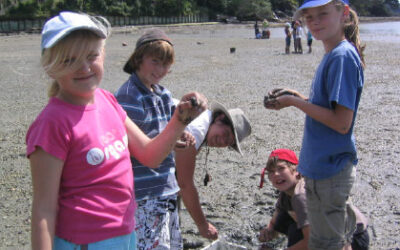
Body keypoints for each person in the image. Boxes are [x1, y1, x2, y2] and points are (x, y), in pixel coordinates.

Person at [26, 12, 207, 250]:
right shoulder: (52, 124)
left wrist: (180, 120)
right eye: (69, 60)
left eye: (92, 56)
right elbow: (43, 210)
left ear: (103, 54)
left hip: (125, 234)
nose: (84, 67)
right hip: (84, 243)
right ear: (50, 67)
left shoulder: (107, 101)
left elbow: (150, 155)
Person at [264, 0, 366, 249]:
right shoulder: (334, 54)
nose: (315, 22)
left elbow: (342, 123)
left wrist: (293, 102)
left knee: (325, 244)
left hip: (330, 172)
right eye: (309, 17)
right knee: (329, 241)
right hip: (323, 170)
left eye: (323, 14)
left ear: (343, 15)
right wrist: (297, 96)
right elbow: (329, 107)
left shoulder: (342, 56)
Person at [115, 28, 196, 250]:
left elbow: (171, 128)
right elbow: (135, 146)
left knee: (169, 243)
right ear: (138, 58)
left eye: (165, 64)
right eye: (155, 62)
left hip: (166, 186)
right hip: (144, 192)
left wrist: (182, 133)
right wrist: (171, 140)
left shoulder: (163, 93)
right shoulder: (129, 95)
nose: (160, 69)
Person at [258, 149, 369, 250]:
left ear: (296, 170)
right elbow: (274, 220)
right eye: (271, 171)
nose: (276, 174)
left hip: (354, 237)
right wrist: (269, 230)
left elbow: (311, 242)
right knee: (283, 218)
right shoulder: (286, 194)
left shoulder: (302, 195)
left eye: (281, 168)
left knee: (297, 234)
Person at [175, 101, 252, 240]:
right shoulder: (197, 129)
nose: (222, 141)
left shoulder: (203, 126)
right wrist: (203, 225)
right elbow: (184, 184)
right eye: (227, 134)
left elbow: (178, 177)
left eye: (228, 143)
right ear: (220, 118)